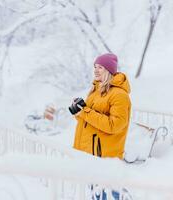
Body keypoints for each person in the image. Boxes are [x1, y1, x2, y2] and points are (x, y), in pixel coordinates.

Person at [69, 53, 131, 200]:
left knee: (112, 192)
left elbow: (114, 125)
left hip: (105, 155)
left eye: (100, 67)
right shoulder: (96, 91)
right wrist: (79, 111)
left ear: (109, 70)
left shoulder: (119, 95)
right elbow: (90, 121)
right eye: (95, 67)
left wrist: (85, 111)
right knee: (97, 192)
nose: (96, 70)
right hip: (90, 152)